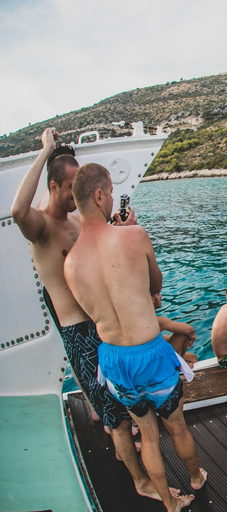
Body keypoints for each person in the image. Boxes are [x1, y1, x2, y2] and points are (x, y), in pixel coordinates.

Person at [10, 129, 174, 503]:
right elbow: (18, 211)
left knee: (117, 405)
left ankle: (125, 450)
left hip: (102, 327)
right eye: (70, 187)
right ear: (54, 186)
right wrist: (46, 151)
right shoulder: (42, 228)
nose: (76, 195)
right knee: (113, 415)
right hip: (80, 333)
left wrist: (124, 228)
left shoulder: (76, 224)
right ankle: (140, 481)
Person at [64, 163, 204, 512]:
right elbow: (155, 287)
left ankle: (170, 505)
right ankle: (196, 477)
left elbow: (95, 307)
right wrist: (131, 231)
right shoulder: (134, 235)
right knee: (177, 427)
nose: (112, 198)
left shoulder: (70, 263)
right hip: (150, 355)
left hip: (111, 359)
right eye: (110, 192)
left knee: (149, 437)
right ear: (99, 196)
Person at [152, 292, 198, 368]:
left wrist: (186, 341)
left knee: (192, 357)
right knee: (183, 333)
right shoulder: (158, 321)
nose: (161, 296)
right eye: (158, 294)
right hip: (155, 362)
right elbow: (189, 330)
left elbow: (159, 337)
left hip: (154, 356)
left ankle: (181, 362)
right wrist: (191, 337)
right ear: (152, 299)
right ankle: (180, 364)